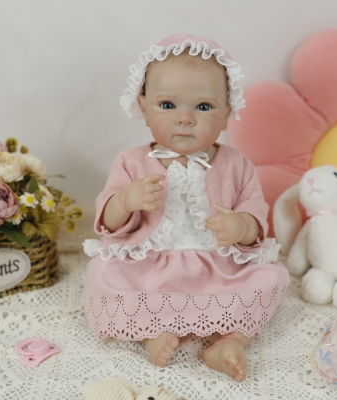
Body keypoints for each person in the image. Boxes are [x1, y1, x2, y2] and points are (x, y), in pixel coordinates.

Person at [83, 34, 290, 382]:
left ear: (226, 115)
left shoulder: (236, 164)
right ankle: (151, 331)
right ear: (144, 108)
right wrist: (125, 201)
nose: (185, 119)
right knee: (101, 273)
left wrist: (241, 226)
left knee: (273, 277)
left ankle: (229, 341)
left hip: (218, 270)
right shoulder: (131, 161)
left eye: (203, 107)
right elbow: (108, 222)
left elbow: (256, 215)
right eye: (167, 105)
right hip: (149, 269)